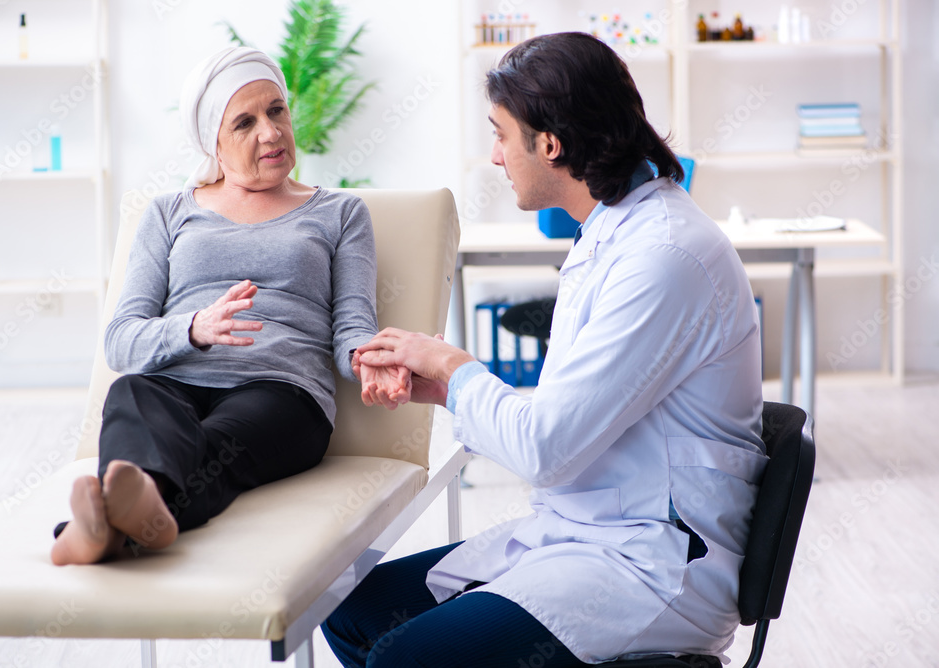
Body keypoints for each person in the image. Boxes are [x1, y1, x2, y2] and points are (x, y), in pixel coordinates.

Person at [324, 32, 768, 666]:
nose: (497, 157)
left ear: (551, 144)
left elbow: (546, 449)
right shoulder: (610, 234)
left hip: (653, 564)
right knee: (351, 611)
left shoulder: (664, 255)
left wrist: (454, 365)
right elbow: (567, 417)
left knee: (405, 657)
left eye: (501, 135)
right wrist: (449, 388)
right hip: (587, 534)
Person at [50, 46, 409, 566]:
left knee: (214, 447)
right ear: (213, 144)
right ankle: (125, 523)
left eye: (276, 110)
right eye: (244, 122)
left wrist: (371, 360)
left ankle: (90, 529)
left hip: (282, 391)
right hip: (175, 379)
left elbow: (352, 327)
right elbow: (122, 339)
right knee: (132, 392)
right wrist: (194, 328)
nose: (270, 132)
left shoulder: (340, 211)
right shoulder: (168, 213)